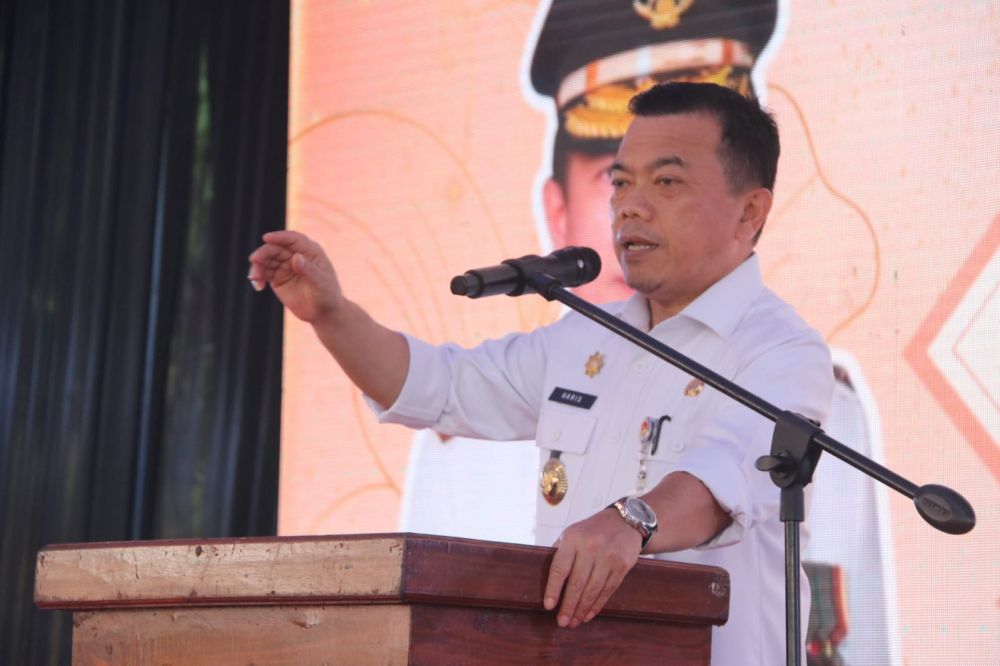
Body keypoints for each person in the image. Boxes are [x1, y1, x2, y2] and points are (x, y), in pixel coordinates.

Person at [249, 81, 834, 665]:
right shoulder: (587, 337)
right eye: (621, 182)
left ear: (749, 212)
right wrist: (332, 315)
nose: (630, 205)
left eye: (666, 182)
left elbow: (723, 475)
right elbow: (437, 386)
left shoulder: (783, 350)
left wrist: (631, 521)